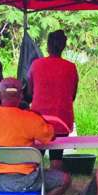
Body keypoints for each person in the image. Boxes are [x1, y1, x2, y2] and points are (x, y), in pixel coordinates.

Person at [28, 30, 79, 170]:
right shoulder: (71, 67)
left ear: (47, 46)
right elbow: (72, 95)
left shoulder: (36, 65)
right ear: (63, 46)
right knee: (57, 157)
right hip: (62, 119)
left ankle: (35, 184)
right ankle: (55, 183)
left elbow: (29, 92)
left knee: (35, 157)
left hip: (39, 119)